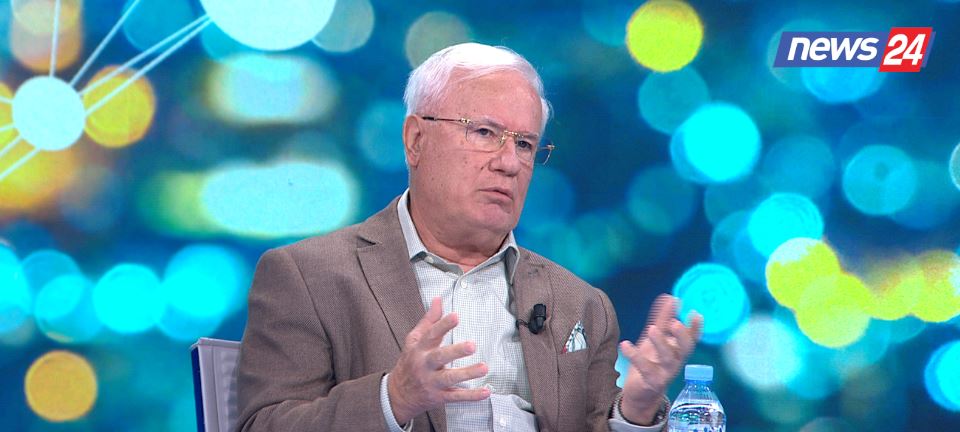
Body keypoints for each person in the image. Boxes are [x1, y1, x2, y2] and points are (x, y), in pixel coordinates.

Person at [236, 42, 703, 432]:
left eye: (525, 144)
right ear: (415, 140)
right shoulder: (309, 277)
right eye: (484, 132)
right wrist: (393, 398)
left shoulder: (580, 304)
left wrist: (636, 409)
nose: (509, 162)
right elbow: (264, 425)